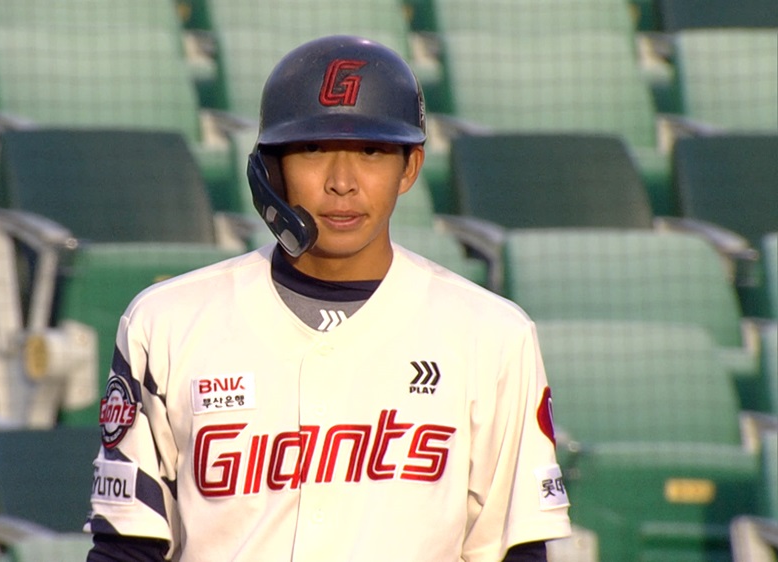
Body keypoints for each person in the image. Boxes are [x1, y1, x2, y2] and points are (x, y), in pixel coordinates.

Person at [85, 35, 571, 561]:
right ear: (272, 168)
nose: (342, 182)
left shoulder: (492, 335)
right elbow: (127, 547)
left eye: (371, 152)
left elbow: (514, 550)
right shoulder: (167, 323)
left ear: (409, 168)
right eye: (313, 149)